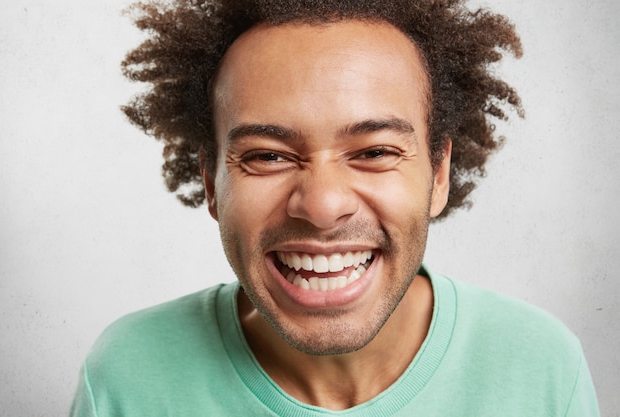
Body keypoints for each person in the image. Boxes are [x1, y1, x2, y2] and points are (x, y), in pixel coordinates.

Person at [70, 0, 600, 415]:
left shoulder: (543, 370)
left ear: (438, 174)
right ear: (212, 183)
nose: (322, 206)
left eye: (374, 152)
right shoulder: (126, 378)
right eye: (268, 156)